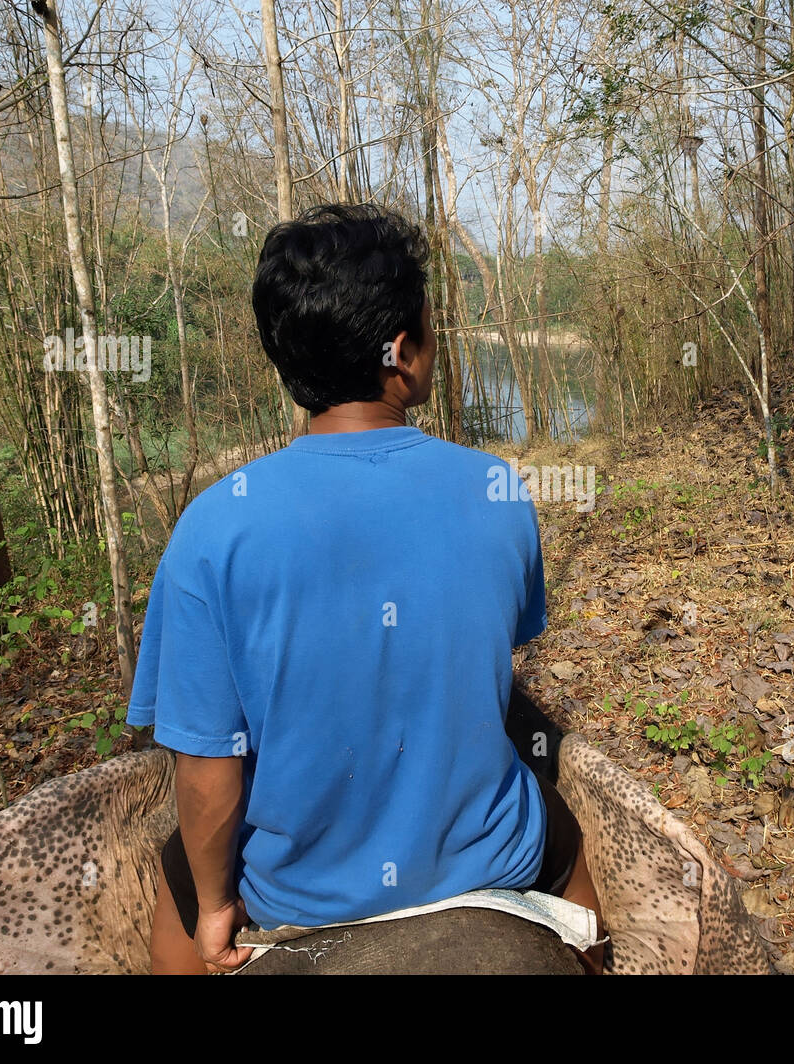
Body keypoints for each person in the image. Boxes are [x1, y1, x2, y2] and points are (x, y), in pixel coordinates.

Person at [126, 202, 604, 975]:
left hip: (297, 898)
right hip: (488, 860)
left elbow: (207, 770)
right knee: (567, 845)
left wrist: (218, 905)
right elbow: (492, 656)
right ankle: (592, 952)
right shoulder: (497, 489)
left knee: (178, 879)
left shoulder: (212, 529)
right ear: (403, 354)